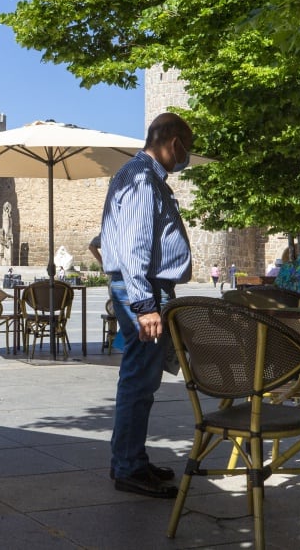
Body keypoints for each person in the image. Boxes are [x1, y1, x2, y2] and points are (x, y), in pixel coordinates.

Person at [101, 112, 193, 498]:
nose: (186, 157)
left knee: (141, 380)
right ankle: (128, 466)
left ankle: (131, 459)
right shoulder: (142, 178)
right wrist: (144, 304)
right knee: (139, 380)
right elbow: (135, 245)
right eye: (187, 149)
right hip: (146, 289)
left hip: (146, 287)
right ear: (174, 144)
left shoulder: (139, 176)